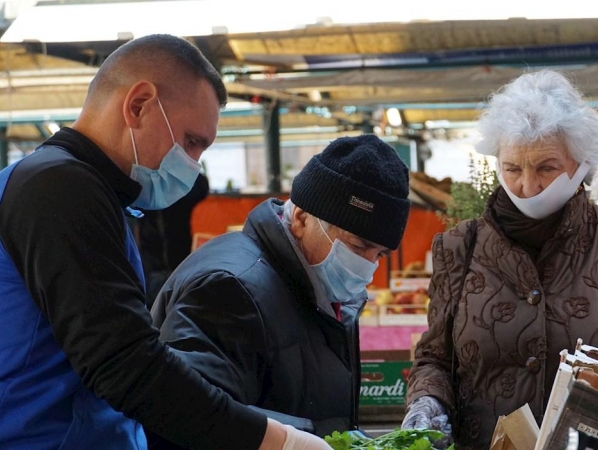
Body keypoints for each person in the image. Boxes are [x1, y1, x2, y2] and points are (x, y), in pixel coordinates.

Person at [0, 34, 326, 450]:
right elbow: (126, 366)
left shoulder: (83, 191)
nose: (192, 165)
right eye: (192, 141)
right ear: (138, 105)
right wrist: (274, 440)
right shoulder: (60, 189)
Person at [402, 70, 598, 449]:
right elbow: (435, 361)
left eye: (546, 167)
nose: (527, 185)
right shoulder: (460, 247)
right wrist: (427, 403)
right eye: (512, 168)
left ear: (582, 163)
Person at [148, 135, 411, 448]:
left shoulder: (322, 287)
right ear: (301, 218)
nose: (367, 266)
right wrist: (292, 441)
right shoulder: (229, 289)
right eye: (358, 246)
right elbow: (189, 417)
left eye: (380, 254)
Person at [138, 172, 209, 308]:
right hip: (151, 267)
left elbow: (201, 188)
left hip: (178, 264)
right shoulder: (142, 185)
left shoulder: (179, 187)